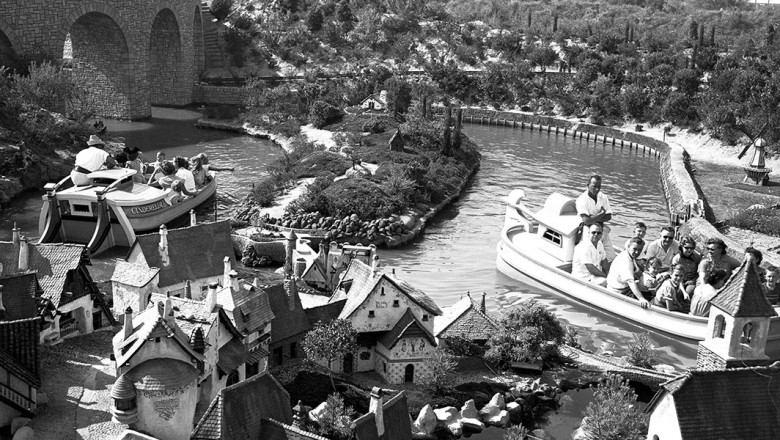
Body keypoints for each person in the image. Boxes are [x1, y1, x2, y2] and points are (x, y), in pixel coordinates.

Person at [576, 175, 616, 260]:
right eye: (594, 186)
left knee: (611, 256)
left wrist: (593, 218)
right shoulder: (582, 199)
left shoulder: (603, 197)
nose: (597, 189)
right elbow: (586, 221)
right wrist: (601, 214)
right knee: (592, 255)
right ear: (587, 186)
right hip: (587, 229)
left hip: (601, 227)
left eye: (599, 187)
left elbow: (608, 216)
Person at [607, 237, 650, 308]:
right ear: (628, 247)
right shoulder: (626, 261)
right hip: (618, 292)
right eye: (635, 249)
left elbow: (638, 273)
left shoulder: (630, 256)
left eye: (640, 250)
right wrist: (641, 298)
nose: (637, 252)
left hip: (625, 288)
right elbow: (630, 281)